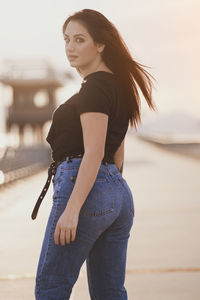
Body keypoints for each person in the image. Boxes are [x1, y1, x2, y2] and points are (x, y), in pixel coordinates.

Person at [33, 8, 156, 300]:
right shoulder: (118, 87)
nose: (70, 48)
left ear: (100, 44)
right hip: (117, 194)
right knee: (109, 292)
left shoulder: (93, 90)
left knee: (51, 288)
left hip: (84, 190)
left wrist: (73, 209)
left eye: (79, 40)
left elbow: (94, 151)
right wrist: (110, 194)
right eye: (66, 40)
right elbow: (116, 152)